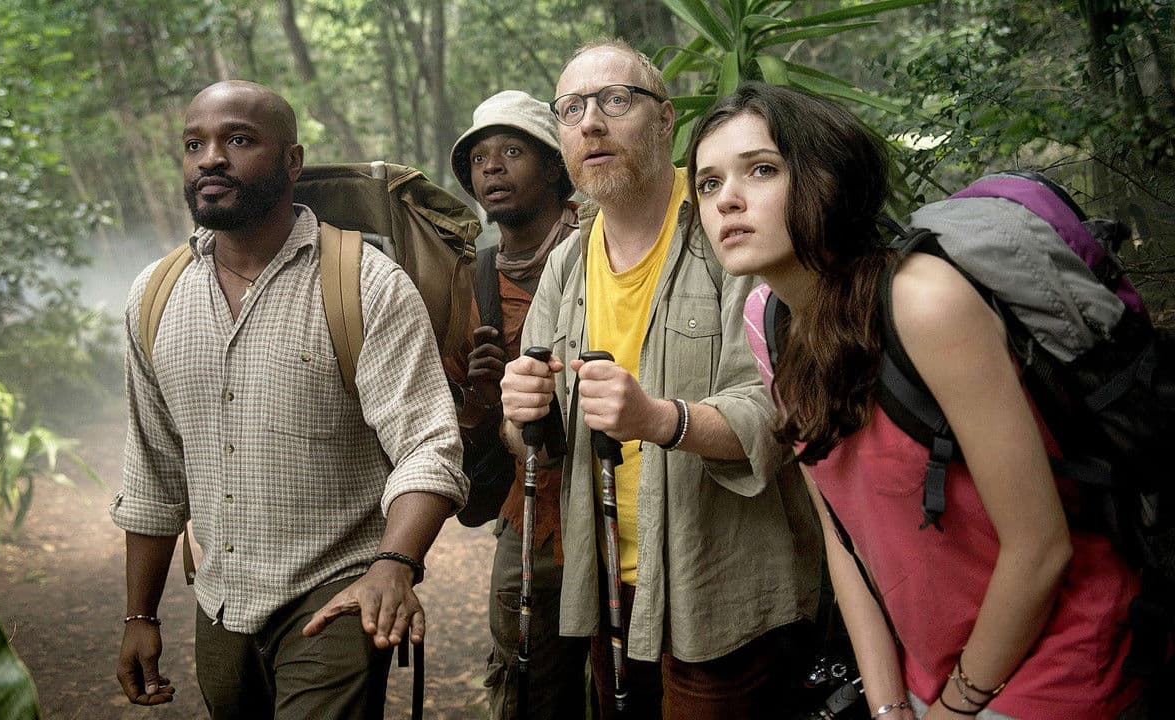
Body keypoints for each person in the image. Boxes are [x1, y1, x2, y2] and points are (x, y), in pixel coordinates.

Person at [690, 81, 1145, 719]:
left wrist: (955, 707)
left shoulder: (923, 300)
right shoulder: (768, 322)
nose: (727, 200)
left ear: (826, 178)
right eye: (708, 184)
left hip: (1061, 664)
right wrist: (886, 704)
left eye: (762, 169)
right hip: (925, 667)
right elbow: (842, 535)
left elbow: (1041, 547)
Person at [110, 80, 467, 719]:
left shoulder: (365, 283)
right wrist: (140, 615)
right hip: (220, 603)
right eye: (194, 145)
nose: (210, 159)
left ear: (292, 161)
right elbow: (153, 471)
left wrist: (394, 563)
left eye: (238, 140)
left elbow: (427, 445)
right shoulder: (156, 295)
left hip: (336, 593)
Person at [499, 41, 822, 719]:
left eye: (616, 101)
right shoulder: (566, 264)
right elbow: (534, 441)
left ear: (666, 119)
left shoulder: (730, 230)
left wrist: (659, 419)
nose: (591, 122)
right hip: (608, 588)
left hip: (721, 593)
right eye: (572, 109)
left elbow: (784, 411)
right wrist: (522, 410)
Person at [448, 90, 588, 720]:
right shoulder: (471, 280)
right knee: (527, 680)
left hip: (622, 500)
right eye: (479, 159)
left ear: (556, 165)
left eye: (512, 151)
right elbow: (462, 430)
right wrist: (483, 399)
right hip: (530, 515)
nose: (493, 168)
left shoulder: (606, 250)